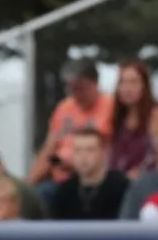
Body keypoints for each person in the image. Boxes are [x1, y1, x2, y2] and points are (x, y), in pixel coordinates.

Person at [27, 59, 114, 208]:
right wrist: (27, 187)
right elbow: (48, 150)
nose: (77, 95)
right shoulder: (64, 108)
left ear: (95, 83)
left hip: (94, 180)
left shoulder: (111, 107)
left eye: (81, 88)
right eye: (72, 89)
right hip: (60, 180)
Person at [108, 60, 158, 180]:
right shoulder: (118, 116)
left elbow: (157, 154)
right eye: (123, 82)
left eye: (133, 82)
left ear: (144, 85)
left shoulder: (156, 113)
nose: (127, 88)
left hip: (146, 180)